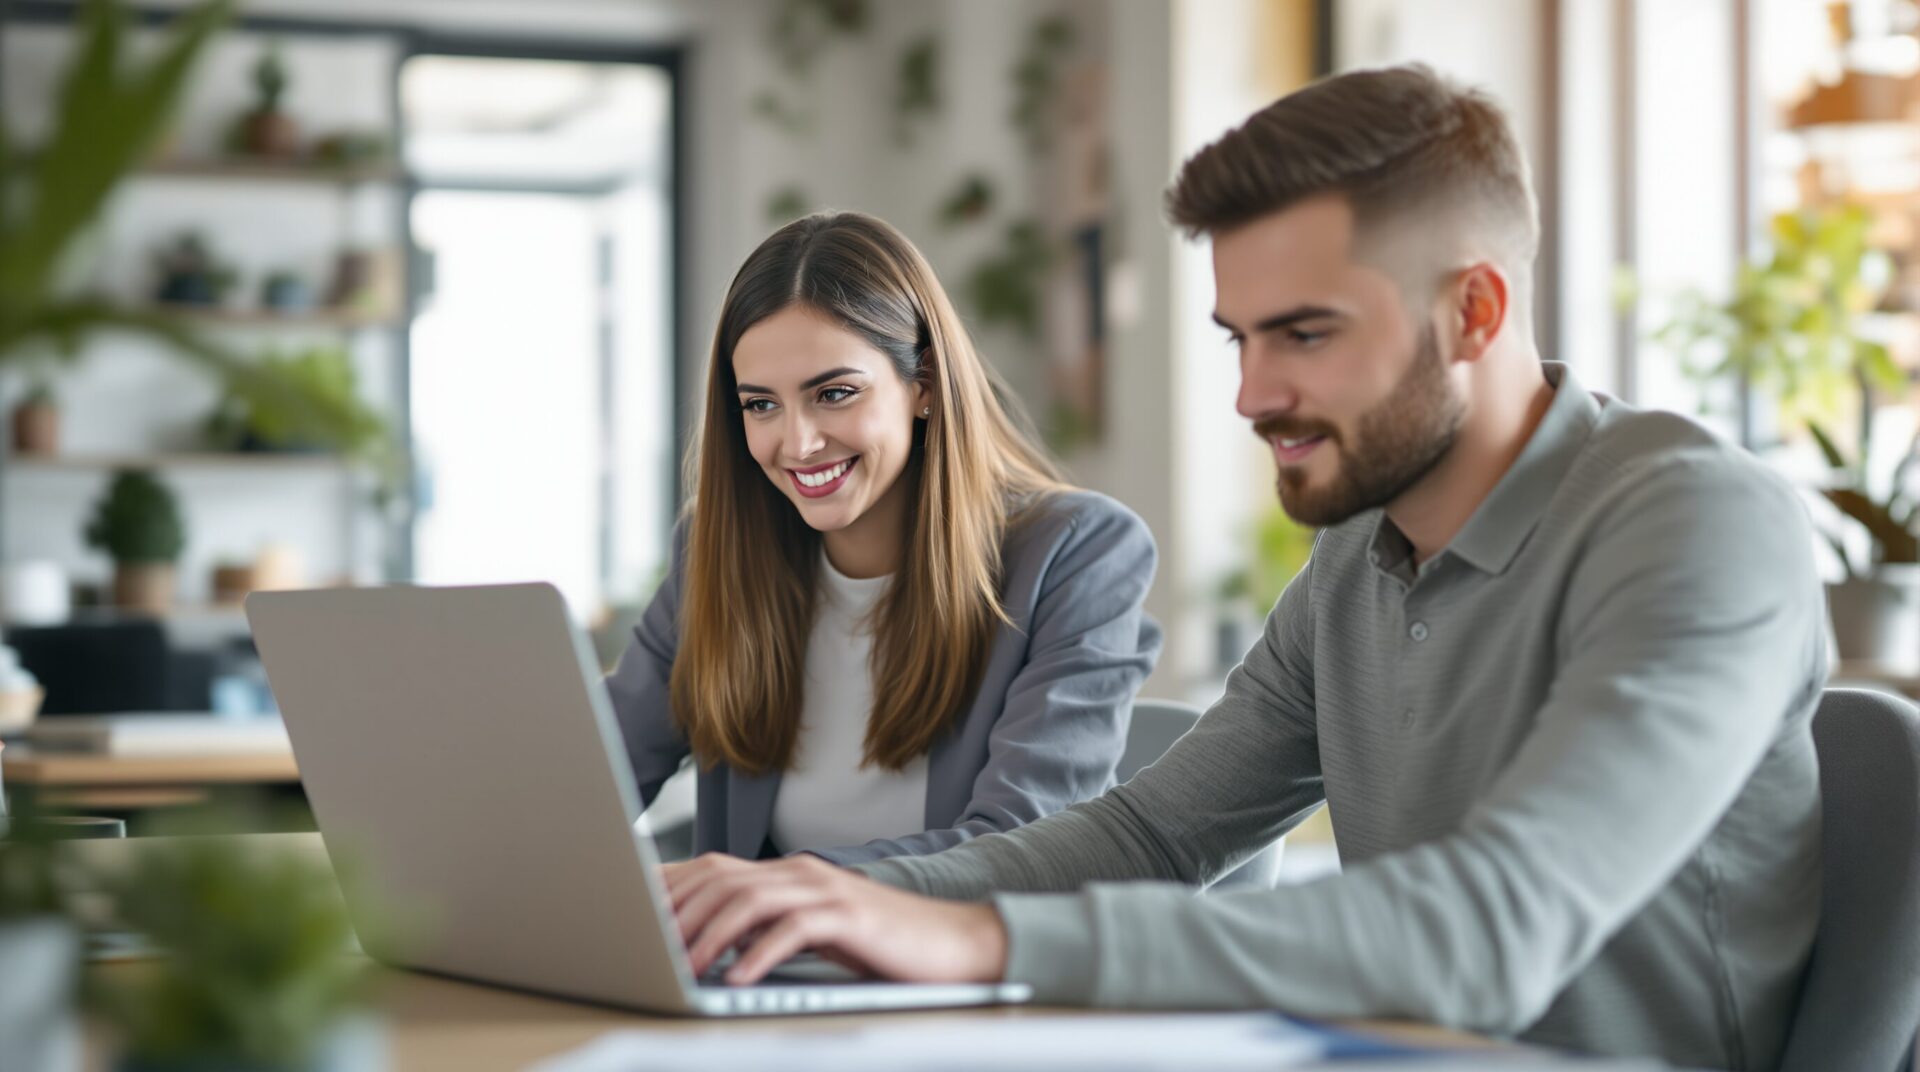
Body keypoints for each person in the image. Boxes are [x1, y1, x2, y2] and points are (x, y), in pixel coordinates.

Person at [658, 66, 1825, 1072]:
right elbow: (1151, 837)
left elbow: (1490, 931)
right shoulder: (1360, 554)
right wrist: (848, 898)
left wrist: (983, 939)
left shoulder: (1697, 525)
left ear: (1474, 309)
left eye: (1304, 334)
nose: (1252, 396)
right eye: (1240, 337)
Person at [604, 211, 1162, 865]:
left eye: (834, 393)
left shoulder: (1079, 554)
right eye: (760, 404)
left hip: (966, 965)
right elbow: (585, 781)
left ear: (922, 385)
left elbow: (1024, 851)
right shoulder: (717, 551)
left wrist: (779, 891)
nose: (798, 443)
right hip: (760, 967)